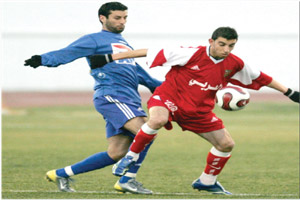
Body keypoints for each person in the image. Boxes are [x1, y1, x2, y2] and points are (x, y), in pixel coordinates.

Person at [89, 27, 299, 195]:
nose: (226, 49)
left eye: (231, 46)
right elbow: (149, 51)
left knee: (226, 144)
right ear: (211, 41)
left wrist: (289, 92)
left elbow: (263, 78)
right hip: (169, 98)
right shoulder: (189, 52)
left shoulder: (235, 64)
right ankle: (130, 157)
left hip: (198, 111)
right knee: (158, 119)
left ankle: (207, 182)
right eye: (222, 44)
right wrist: (108, 58)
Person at [24, 2, 162, 194]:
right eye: (117, 18)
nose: (122, 22)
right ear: (102, 18)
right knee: (146, 131)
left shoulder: (123, 43)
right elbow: (67, 53)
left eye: (125, 18)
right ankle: (127, 179)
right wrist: (42, 59)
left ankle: (61, 174)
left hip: (128, 99)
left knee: (116, 153)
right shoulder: (95, 40)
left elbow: (139, 74)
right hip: (112, 96)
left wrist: (167, 88)